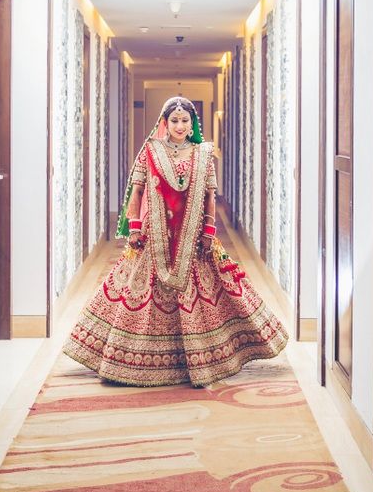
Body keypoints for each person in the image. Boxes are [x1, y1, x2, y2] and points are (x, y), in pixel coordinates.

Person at [63, 96, 288, 387]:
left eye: (185, 121)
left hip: (192, 236)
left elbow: (209, 196)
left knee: (214, 291)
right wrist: (134, 227)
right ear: (164, 123)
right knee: (134, 289)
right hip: (155, 234)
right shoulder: (150, 151)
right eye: (175, 120)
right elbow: (138, 191)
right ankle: (133, 360)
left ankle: (205, 357)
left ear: (192, 123)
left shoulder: (203, 154)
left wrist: (209, 230)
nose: (180, 126)